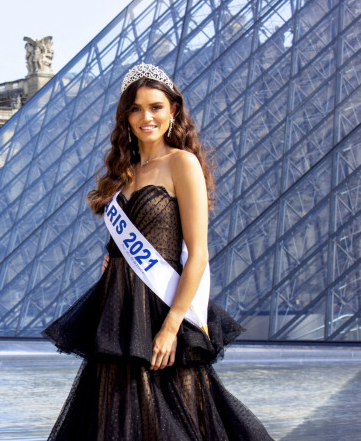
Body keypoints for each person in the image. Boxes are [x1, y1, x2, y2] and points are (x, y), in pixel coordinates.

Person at [43, 63, 273, 440]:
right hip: (117, 313)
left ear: (173, 112)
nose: (146, 117)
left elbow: (198, 253)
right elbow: (125, 239)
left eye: (156, 107)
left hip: (162, 308)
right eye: (135, 108)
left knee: (177, 423)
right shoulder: (124, 171)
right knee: (112, 422)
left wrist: (171, 326)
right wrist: (111, 257)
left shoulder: (182, 163)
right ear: (126, 116)